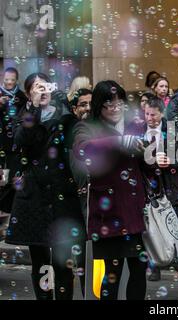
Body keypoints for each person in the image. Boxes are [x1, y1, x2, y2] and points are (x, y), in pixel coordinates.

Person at [6, 73, 86, 300]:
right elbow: (22, 140)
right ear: (30, 91)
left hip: (61, 193)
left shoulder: (63, 114)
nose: (43, 91)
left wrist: (67, 108)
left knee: (63, 261)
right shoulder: (25, 115)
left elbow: (76, 139)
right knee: (40, 261)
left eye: (46, 86)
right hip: (35, 197)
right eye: (37, 87)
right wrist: (34, 107)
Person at [73, 80, 147, 300]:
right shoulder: (88, 126)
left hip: (135, 209)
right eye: (110, 105)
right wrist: (118, 141)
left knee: (138, 269)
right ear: (98, 106)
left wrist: (154, 157)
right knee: (111, 273)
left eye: (119, 104)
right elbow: (82, 149)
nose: (116, 109)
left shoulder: (135, 125)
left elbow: (145, 165)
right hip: (109, 212)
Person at [143, 96, 178, 281]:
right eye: (146, 114)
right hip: (148, 187)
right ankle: (154, 264)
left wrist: (171, 161)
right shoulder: (137, 131)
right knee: (151, 227)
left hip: (170, 186)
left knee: (171, 224)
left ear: (161, 113)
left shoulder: (174, 131)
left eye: (153, 114)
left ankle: (174, 256)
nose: (149, 118)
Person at [0, 67, 28, 214]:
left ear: (16, 80)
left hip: (14, 146)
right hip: (2, 142)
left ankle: (8, 208)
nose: (9, 82)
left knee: (12, 177)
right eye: (6, 80)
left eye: (12, 80)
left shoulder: (21, 97)